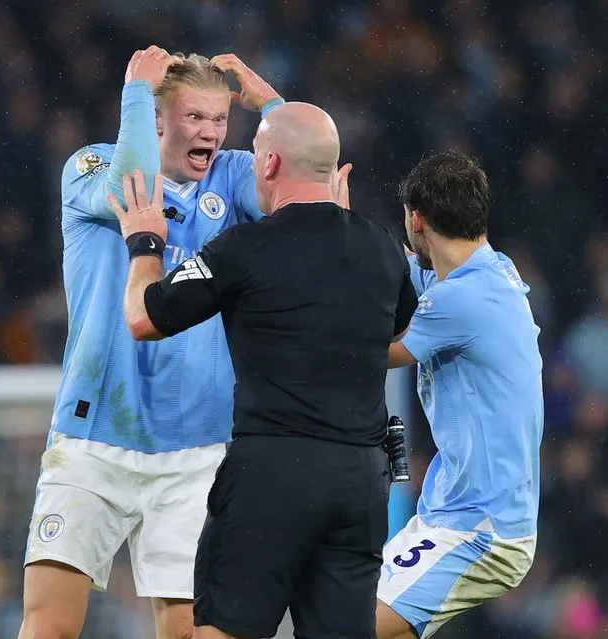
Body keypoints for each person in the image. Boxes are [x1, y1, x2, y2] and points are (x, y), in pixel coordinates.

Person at [107, 101, 418, 639]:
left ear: (270, 164)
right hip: (360, 484)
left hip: (272, 473)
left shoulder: (244, 248)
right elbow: (400, 334)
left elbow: (143, 317)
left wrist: (145, 242)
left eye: (254, 154)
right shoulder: (383, 247)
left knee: (223, 630)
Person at [19, 47, 289, 639]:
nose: (211, 134)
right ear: (156, 121)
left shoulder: (233, 177)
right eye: (194, 118)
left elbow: (304, 171)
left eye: (220, 120)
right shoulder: (91, 167)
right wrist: (136, 94)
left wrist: (267, 99)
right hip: (93, 432)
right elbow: (132, 186)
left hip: (196, 442)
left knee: (188, 630)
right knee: (49, 624)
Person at [376, 151, 543, 639]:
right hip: (454, 513)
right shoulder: (488, 271)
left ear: (417, 219)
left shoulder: (460, 300)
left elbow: (371, 353)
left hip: (481, 528)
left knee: (344, 623)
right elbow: (410, 268)